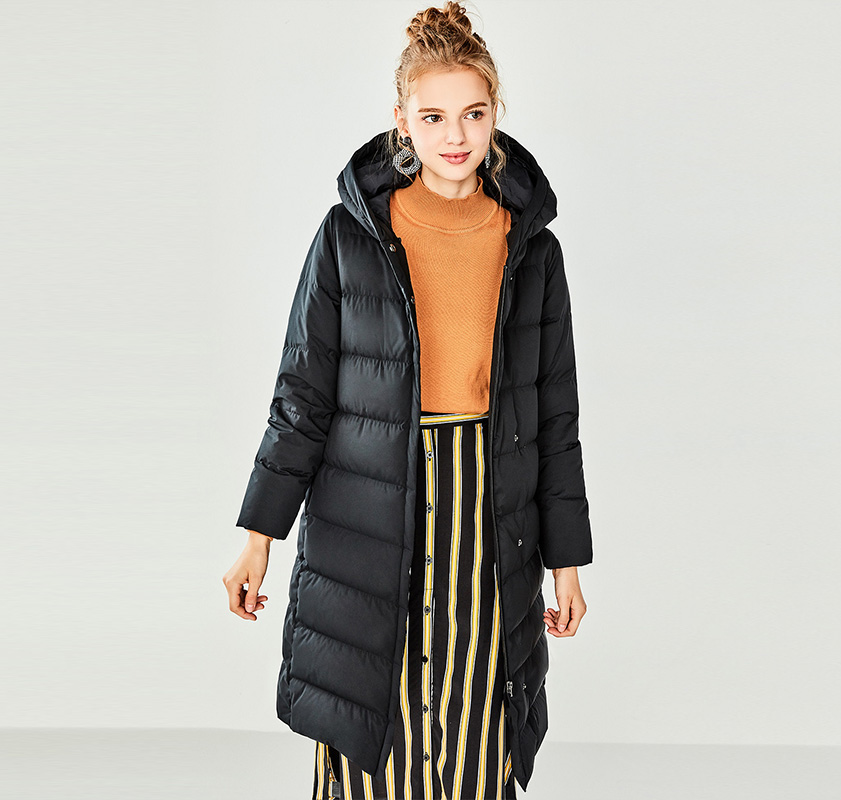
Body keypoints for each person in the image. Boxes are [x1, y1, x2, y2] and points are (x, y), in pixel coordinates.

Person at [220, 3, 593, 798]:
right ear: (402, 121)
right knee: (374, 720)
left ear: (495, 114)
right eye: (433, 117)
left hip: (488, 513)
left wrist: (566, 561)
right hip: (367, 510)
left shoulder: (531, 248)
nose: (456, 135)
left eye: (473, 114)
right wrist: (258, 535)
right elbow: (302, 396)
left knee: (474, 725)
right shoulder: (347, 237)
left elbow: (555, 419)